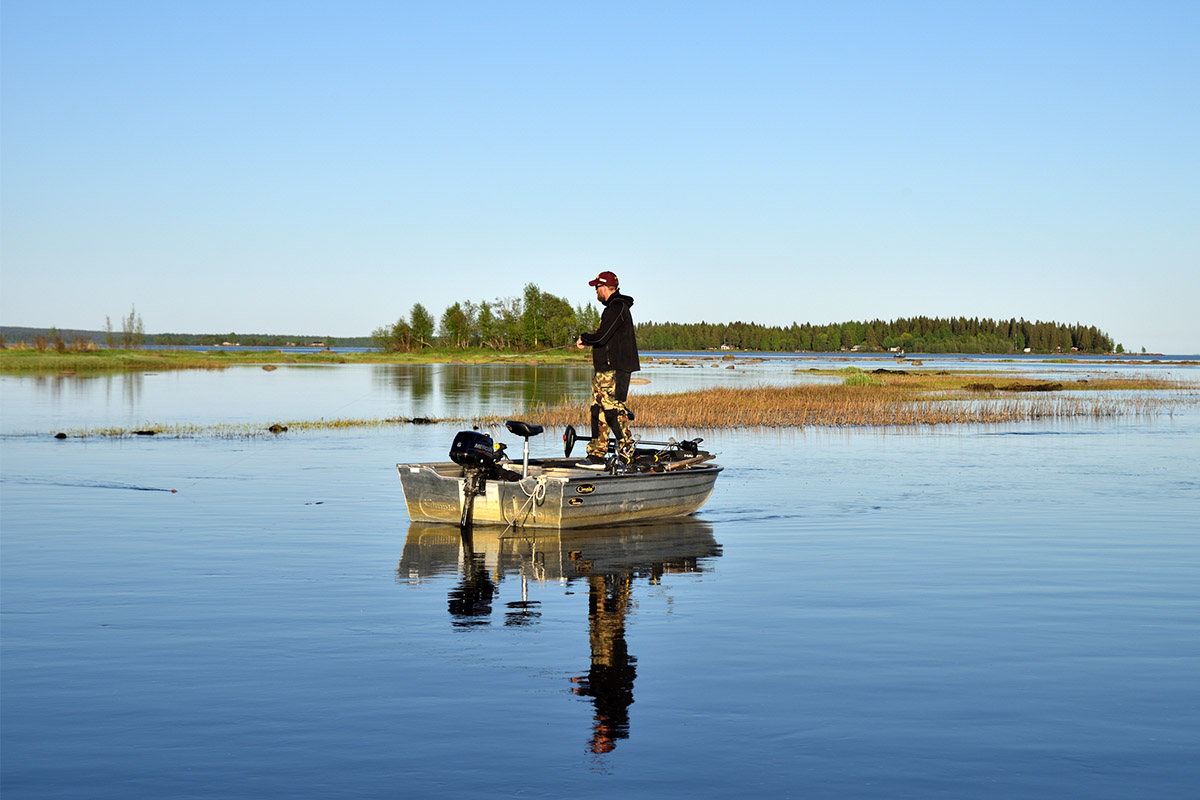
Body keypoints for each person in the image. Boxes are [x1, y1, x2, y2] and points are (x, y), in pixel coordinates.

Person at [575, 271, 640, 469]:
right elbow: (605, 338)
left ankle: (628, 453)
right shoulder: (612, 308)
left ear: (604, 287)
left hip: (615, 371)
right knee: (598, 410)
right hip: (603, 371)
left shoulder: (618, 307)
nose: (596, 291)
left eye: (597, 287)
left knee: (613, 410)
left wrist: (585, 338)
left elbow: (602, 337)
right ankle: (596, 455)